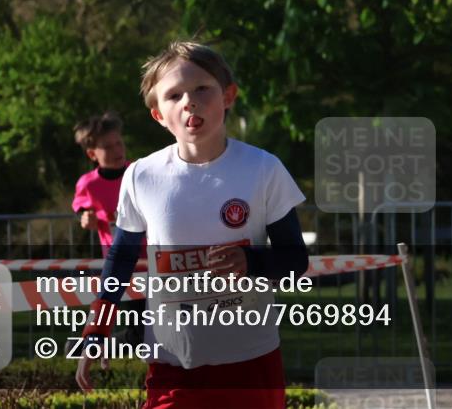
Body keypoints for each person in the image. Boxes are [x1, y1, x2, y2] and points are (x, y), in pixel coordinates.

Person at [75, 40, 308, 409]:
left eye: (202, 88)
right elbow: (120, 257)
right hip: (172, 364)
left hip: (251, 361)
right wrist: (98, 325)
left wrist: (252, 263)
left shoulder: (263, 168)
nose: (190, 102)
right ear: (158, 115)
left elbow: (295, 258)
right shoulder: (141, 176)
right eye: (174, 95)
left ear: (228, 96)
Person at [72, 112, 130, 256]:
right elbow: (80, 210)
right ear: (92, 154)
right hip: (117, 256)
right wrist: (85, 218)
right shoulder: (88, 184)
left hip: (153, 254)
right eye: (108, 147)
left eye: (119, 143)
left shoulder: (140, 172)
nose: (117, 150)